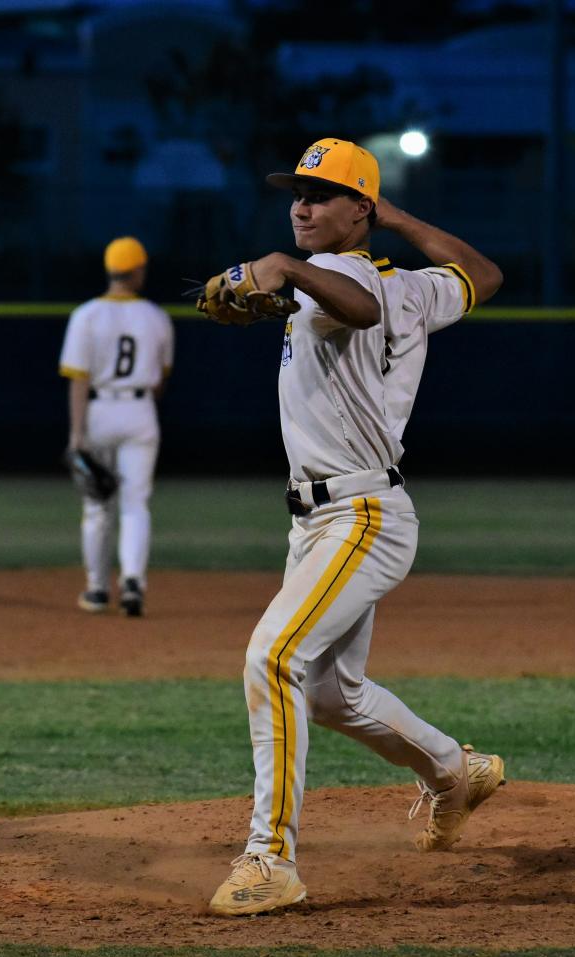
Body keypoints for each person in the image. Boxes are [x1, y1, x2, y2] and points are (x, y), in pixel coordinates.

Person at [206, 138, 505, 917]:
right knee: (333, 694)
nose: (302, 205)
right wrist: (396, 218)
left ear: (358, 209)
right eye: (295, 193)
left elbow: (356, 303)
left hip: (361, 515)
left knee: (273, 657)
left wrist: (286, 267)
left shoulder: (346, 280)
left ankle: (270, 858)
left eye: (322, 193)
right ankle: (453, 771)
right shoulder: (408, 287)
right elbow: (485, 276)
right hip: (326, 520)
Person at [58, 236, 175, 618]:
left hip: (99, 410)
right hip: (140, 412)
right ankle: (132, 584)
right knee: (135, 504)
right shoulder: (156, 317)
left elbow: (78, 379)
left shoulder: (86, 315)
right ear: (138, 270)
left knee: (96, 506)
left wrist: (77, 433)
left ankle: (95, 590)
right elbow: (160, 382)